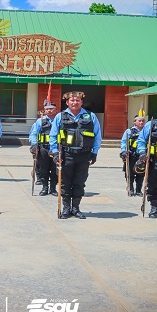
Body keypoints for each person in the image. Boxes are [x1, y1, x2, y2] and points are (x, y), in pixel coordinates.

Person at [49, 91, 102, 219]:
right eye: (72, 100)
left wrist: (94, 153)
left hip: (84, 155)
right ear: (67, 102)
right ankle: (66, 208)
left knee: (79, 182)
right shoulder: (60, 116)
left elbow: (97, 136)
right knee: (65, 182)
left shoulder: (91, 116)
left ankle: (76, 208)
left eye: (77, 100)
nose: (75, 102)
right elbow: (53, 136)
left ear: (81, 102)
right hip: (66, 154)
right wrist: (55, 153)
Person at [29, 101, 59, 196]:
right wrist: (34, 145)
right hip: (43, 148)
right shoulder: (40, 121)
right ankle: (44, 187)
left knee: (55, 169)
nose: (49, 111)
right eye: (47, 109)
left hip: (56, 149)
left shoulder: (60, 120)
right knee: (43, 169)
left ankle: (53, 188)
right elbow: (33, 134)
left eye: (51, 109)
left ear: (55, 110)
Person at [120, 115, 146, 196]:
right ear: (135, 122)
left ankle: (138, 190)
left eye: (143, 121)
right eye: (139, 121)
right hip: (132, 155)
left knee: (141, 173)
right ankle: (130, 189)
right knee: (130, 174)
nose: (141, 122)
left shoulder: (147, 131)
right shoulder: (129, 131)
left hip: (142, 156)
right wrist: (124, 151)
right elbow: (124, 142)